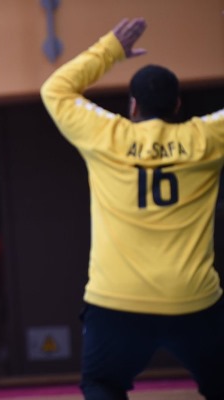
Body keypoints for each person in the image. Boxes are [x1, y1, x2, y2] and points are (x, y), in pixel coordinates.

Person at [41, 17, 224, 400]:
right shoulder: (206, 138)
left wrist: (110, 49)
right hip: (192, 298)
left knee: (101, 384)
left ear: (134, 105)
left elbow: (55, 89)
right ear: (177, 105)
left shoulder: (108, 136)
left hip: (116, 300)